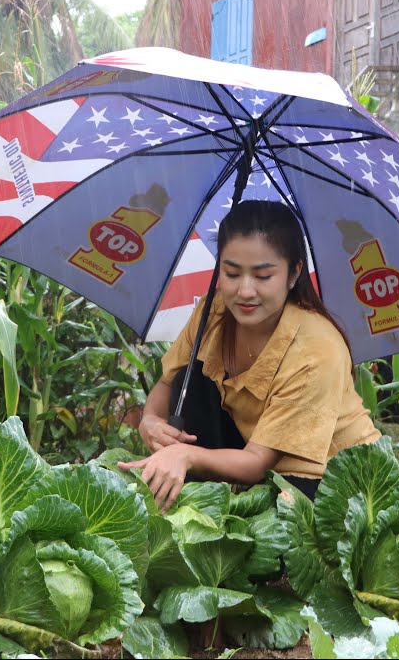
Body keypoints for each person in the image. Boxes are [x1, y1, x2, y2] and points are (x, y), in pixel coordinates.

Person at [118, 200, 381, 511]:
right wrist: (149, 421)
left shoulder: (317, 350)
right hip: (254, 451)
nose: (244, 291)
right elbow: (167, 383)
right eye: (231, 272)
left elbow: (258, 462)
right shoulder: (213, 310)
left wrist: (186, 455)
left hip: (326, 478)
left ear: (294, 272)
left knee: (276, 542)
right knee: (191, 381)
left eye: (263, 276)